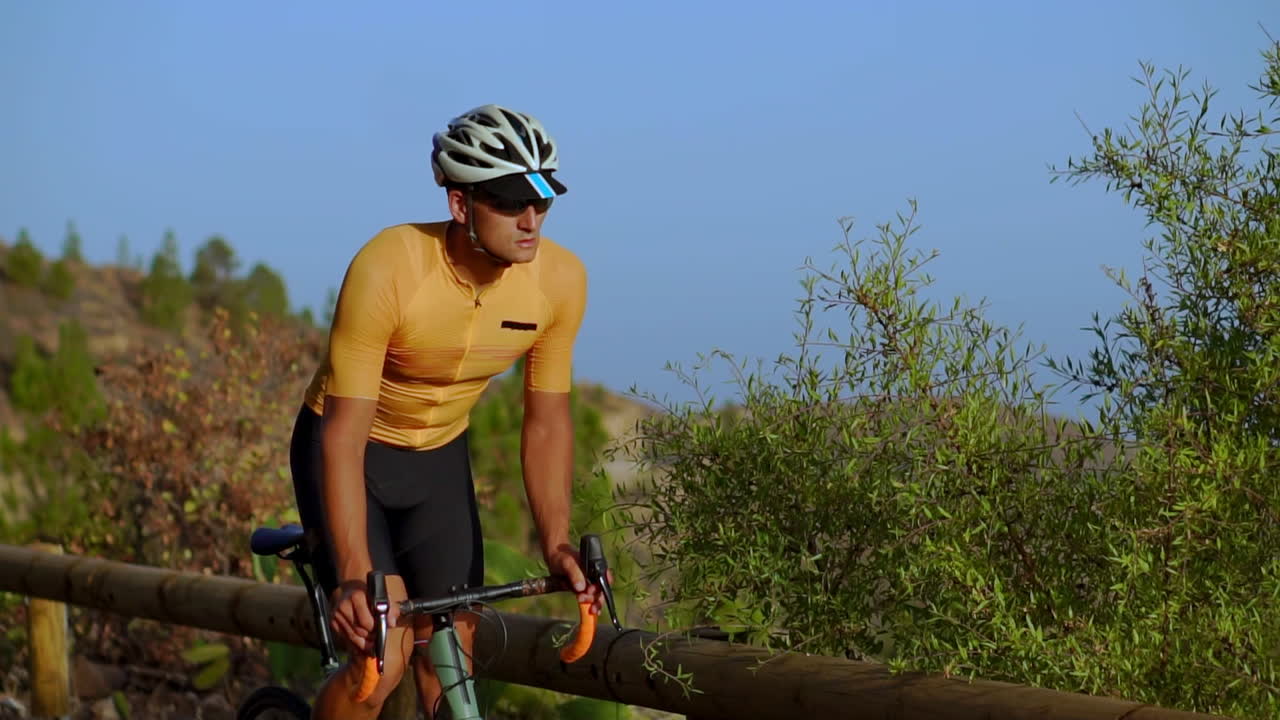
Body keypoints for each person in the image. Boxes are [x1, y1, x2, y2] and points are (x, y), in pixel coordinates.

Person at [289, 104, 596, 719]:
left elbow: (546, 423)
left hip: (437, 461)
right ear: (461, 204)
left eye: (542, 200)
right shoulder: (390, 266)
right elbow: (343, 437)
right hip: (351, 452)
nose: (531, 219)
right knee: (384, 656)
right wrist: (353, 575)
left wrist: (557, 542)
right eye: (510, 202)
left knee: (452, 660)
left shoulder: (559, 281)